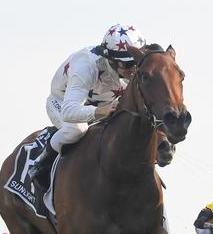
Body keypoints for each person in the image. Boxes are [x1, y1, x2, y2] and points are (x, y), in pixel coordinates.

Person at [29, 24, 147, 180]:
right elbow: (69, 111)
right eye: (127, 64)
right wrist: (100, 112)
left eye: (136, 62)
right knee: (77, 130)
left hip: (103, 105)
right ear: (110, 59)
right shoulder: (86, 66)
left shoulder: (133, 69)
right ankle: (40, 163)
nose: (133, 69)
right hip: (63, 103)